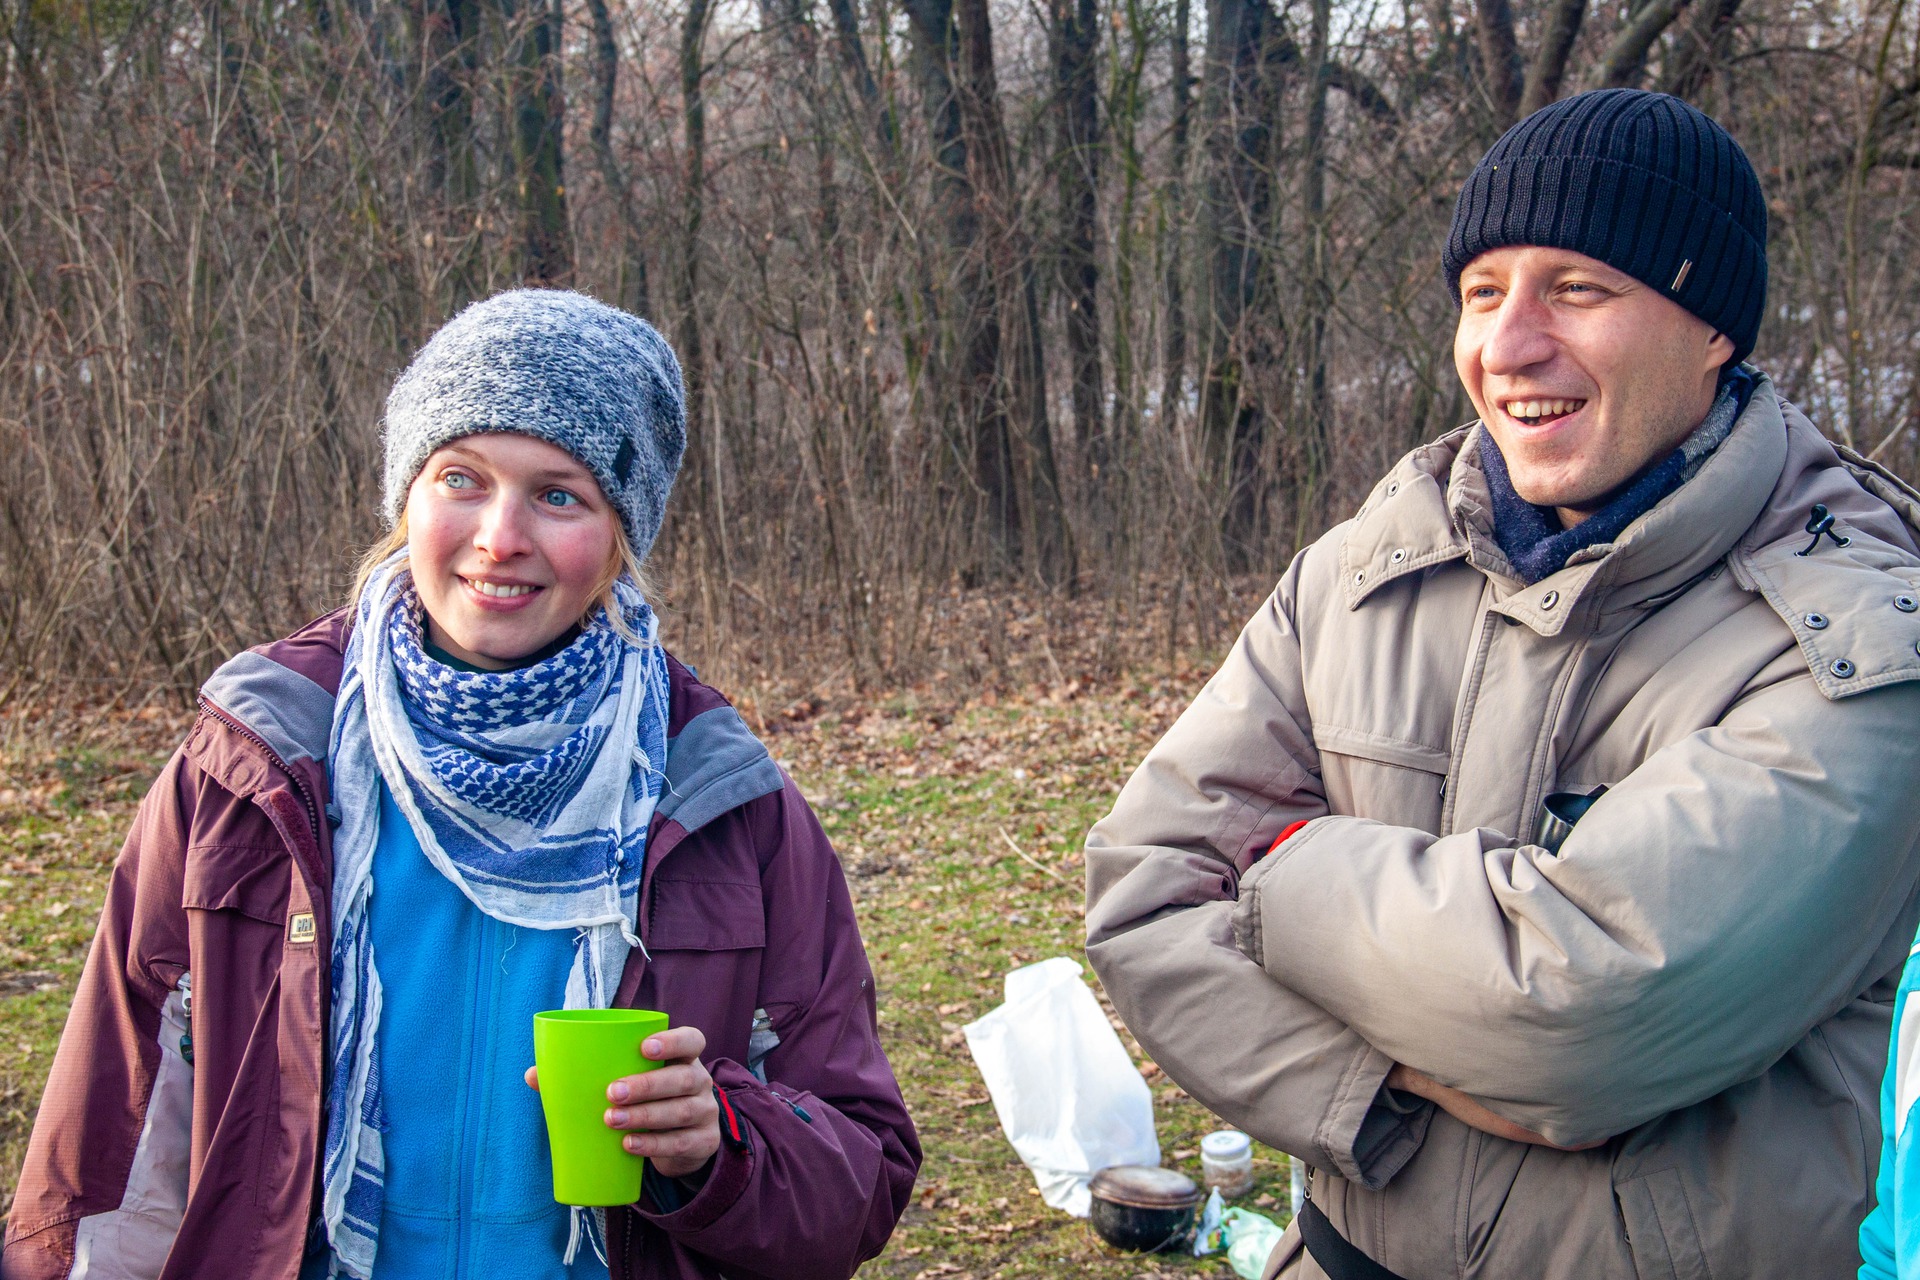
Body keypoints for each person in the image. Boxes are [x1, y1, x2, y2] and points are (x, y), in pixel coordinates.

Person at [1085, 88, 1920, 1280]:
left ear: (1714, 328)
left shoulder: (1861, 645)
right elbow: (1142, 889)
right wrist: (1379, 1086)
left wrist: (1287, 870)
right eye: (1483, 292)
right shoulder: (1360, 571)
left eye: (1577, 288)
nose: (1509, 343)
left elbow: (1581, 1021)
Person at [2, 290, 920, 1280]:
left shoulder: (719, 799)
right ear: (408, 496)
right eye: (461, 478)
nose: (499, 536)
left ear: (621, 533)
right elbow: (113, 1152)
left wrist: (719, 1147)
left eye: (558, 495)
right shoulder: (255, 770)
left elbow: (858, 1177)